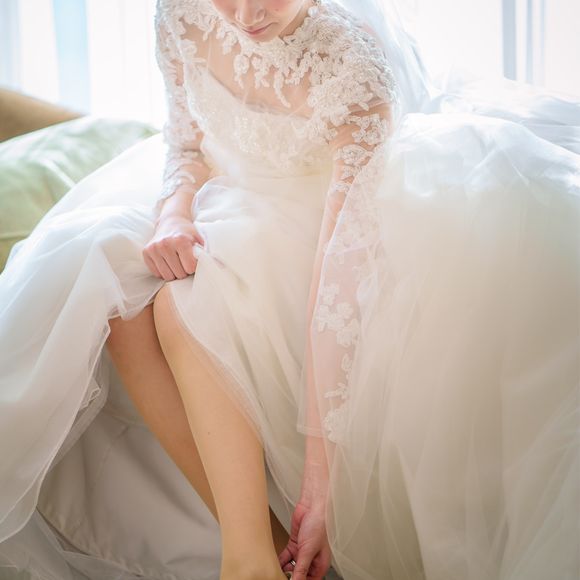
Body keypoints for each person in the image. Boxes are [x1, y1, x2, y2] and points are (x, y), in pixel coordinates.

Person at [0, 0, 579, 579]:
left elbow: (341, 273)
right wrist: (174, 211)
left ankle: (248, 566)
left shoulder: (351, 64)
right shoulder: (181, 12)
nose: (245, 14)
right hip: (232, 191)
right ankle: (258, 552)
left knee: (184, 305)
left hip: (339, 219)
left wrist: (321, 482)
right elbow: (186, 143)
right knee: (115, 294)